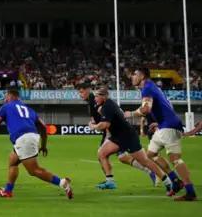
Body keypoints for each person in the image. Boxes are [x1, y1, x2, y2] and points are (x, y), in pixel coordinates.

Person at [125, 68, 197, 201]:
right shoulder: (152, 87)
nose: (132, 77)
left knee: (176, 159)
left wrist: (130, 114)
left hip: (169, 126)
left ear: (142, 76)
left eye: (134, 74)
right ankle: (175, 180)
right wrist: (160, 122)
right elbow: (166, 106)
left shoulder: (147, 88)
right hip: (164, 125)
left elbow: (146, 109)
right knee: (151, 155)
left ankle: (190, 192)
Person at [0, 89, 73, 199]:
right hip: (31, 136)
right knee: (13, 161)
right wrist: (43, 145)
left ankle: (63, 183)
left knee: (34, 170)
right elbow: (43, 127)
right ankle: (7, 191)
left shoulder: (6, 107)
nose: (4, 100)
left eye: (6, 97)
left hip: (23, 138)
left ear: (11, 97)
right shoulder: (29, 110)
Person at [90, 87, 173, 195]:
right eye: (95, 96)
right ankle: (110, 181)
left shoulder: (107, 106)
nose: (95, 98)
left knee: (145, 161)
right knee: (102, 153)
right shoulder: (106, 105)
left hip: (128, 137)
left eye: (97, 96)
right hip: (117, 136)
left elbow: (105, 124)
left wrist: (94, 127)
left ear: (104, 97)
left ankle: (167, 181)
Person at [77, 84, 156, 189]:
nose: (80, 95)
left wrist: (108, 134)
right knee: (122, 157)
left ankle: (110, 180)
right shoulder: (92, 101)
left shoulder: (93, 100)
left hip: (113, 131)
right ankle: (149, 171)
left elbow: (106, 118)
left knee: (102, 154)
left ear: (88, 90)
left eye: (82, 92)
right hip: (115, 131)